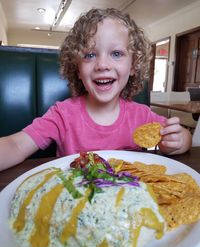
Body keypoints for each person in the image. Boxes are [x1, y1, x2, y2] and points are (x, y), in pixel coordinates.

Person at [0, 8, 192, 171]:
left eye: (116, 53)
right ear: (77, 68)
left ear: (133, 66)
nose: (102, 64)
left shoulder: (142, 116)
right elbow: (16, 145)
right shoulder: (62, 115)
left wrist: (178, 141)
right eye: (90, 55)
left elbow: (184, 135)